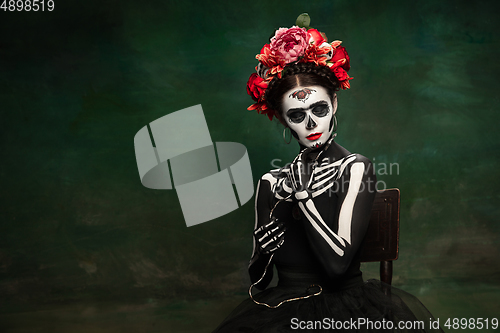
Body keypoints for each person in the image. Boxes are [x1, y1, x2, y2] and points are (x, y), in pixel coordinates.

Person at [213, 17, 443, 333]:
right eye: (297, 115)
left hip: (346, 306)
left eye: (319, 109)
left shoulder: (355, 168)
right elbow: (259, 280)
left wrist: (304, 199)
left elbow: (336, 268)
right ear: (283, 121)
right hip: (285, 307)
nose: (310, 124)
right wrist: (263, 254)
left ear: (334, 103)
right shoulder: (271, 183)